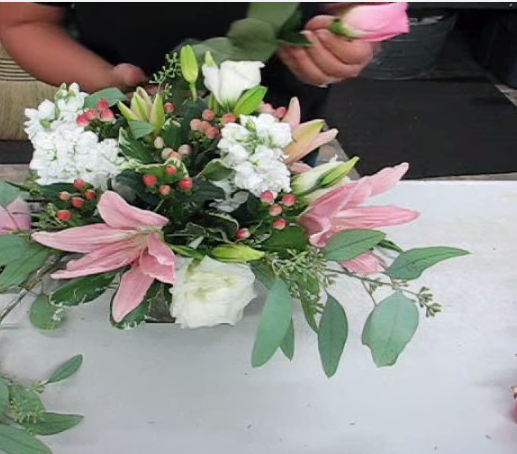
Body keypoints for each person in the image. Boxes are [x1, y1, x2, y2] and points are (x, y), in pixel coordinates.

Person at [0, 3, 375, 121]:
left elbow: (361, 9)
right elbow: (25, 19)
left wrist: (346, 42)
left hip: (274, 137)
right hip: (120, 127)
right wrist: (107, 79)